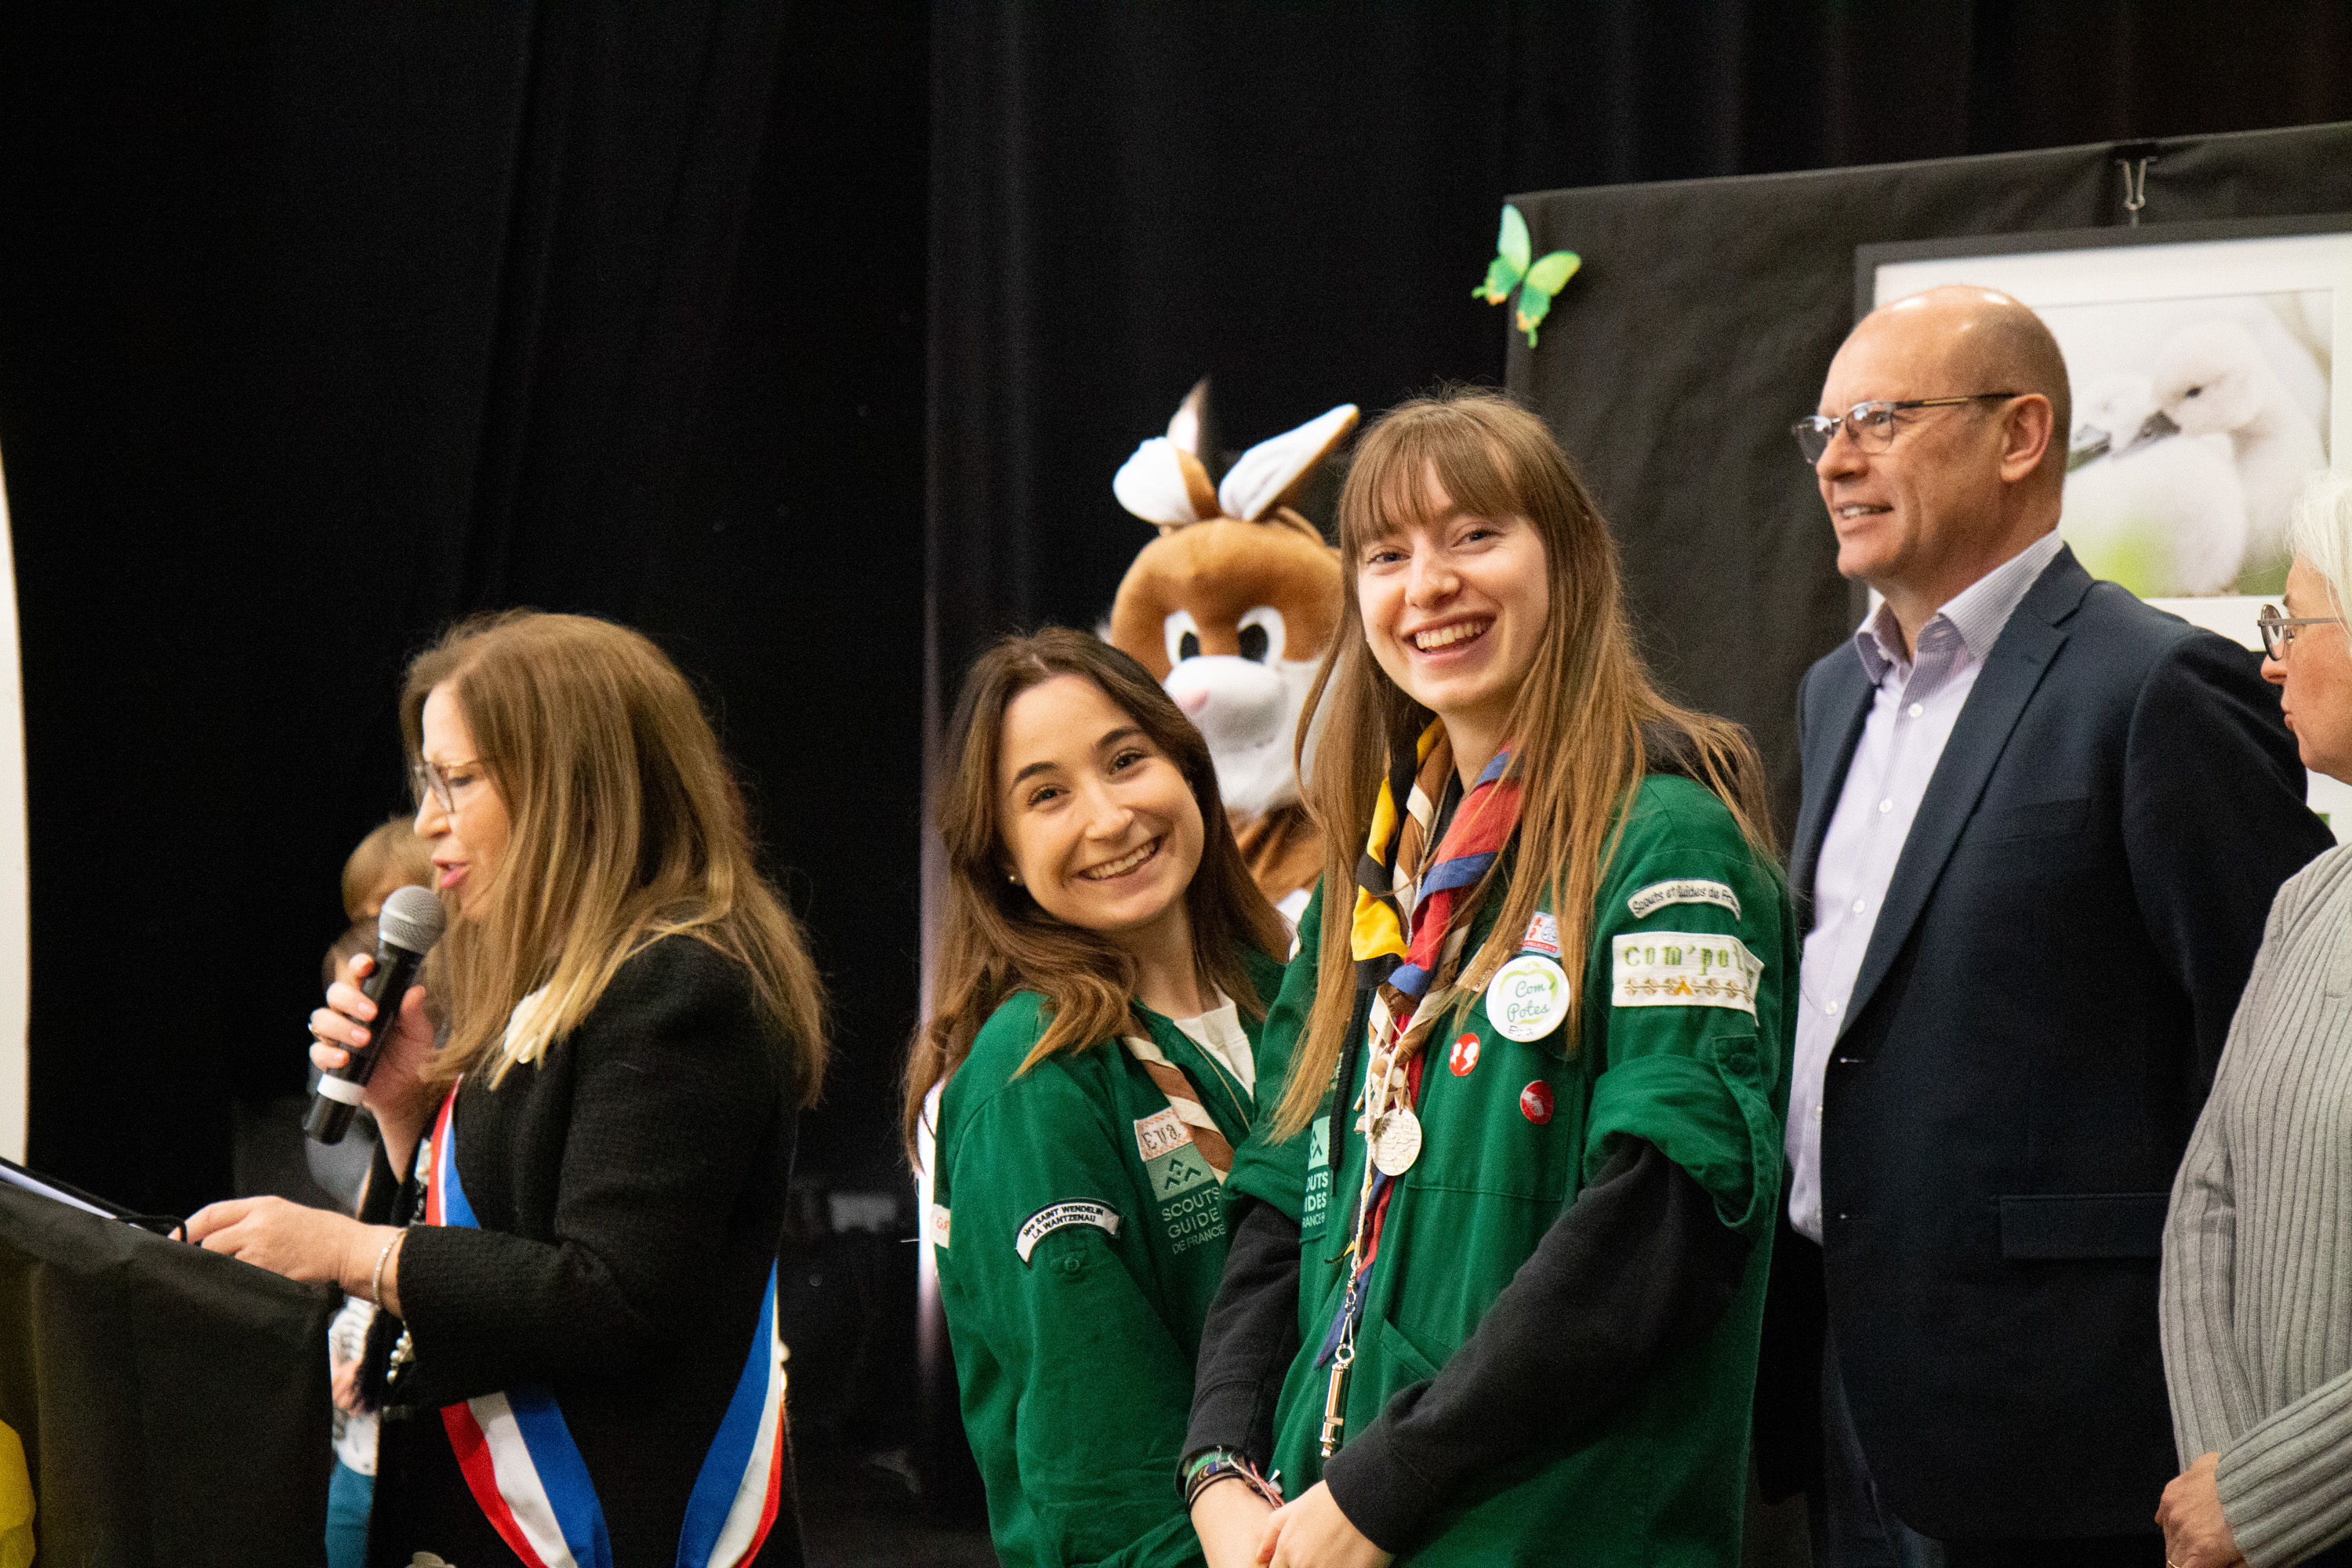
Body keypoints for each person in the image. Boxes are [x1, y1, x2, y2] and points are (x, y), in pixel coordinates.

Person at [1755, 285, 2333, 1566]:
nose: (1838, 462)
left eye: (1880, 420)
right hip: (1846, 1386)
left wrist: (2269, 1438)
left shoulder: (2159, 686)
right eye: (1825, 431)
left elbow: (2283, 1068)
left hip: (2072, 1420)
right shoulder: (1832, 697)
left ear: (2020, 435)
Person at [1185, 390, 1795, 1566]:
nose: (1429, 584)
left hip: (1542, 1533)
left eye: (1475, 535)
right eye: (1387, 554)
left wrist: (1388, 1486)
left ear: (1570, 560)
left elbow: (1660, 1225)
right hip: (1326, 1527)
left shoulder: (1667, 841)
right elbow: (1276, 1194)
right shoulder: (1370, 886)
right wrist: (1217, 1464)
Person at [184, 610, 826, 1567]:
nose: (427, 821)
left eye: (460, 780)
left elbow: (610, 1295)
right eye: (426, 782)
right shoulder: (543, 982)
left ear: (573, 784)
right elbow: (497, 1238)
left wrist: (344, 1248)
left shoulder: (680, 984)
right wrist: (405, 1113)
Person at [906, 627, 1292, 1568]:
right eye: (1047, 794)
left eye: (1126, 760)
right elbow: (1105, 1471)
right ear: (1002, 852)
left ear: (1187, 765)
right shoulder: (1033, 1075)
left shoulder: (1295, 996)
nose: (1112, 817)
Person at [2160, 470, 2352, 1568]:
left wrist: (2269, 1496)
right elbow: (2207, 1195)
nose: (2271, 659)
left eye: (2296, 622)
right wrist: (2224, 1471)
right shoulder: (2308, 898)